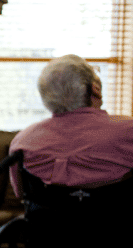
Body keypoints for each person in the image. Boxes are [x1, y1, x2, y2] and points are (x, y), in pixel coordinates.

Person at [8, 54, 133, 197]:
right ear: (96, 89)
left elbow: (20, 194)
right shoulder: (129, 132)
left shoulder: (22, 142)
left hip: (46, 218)